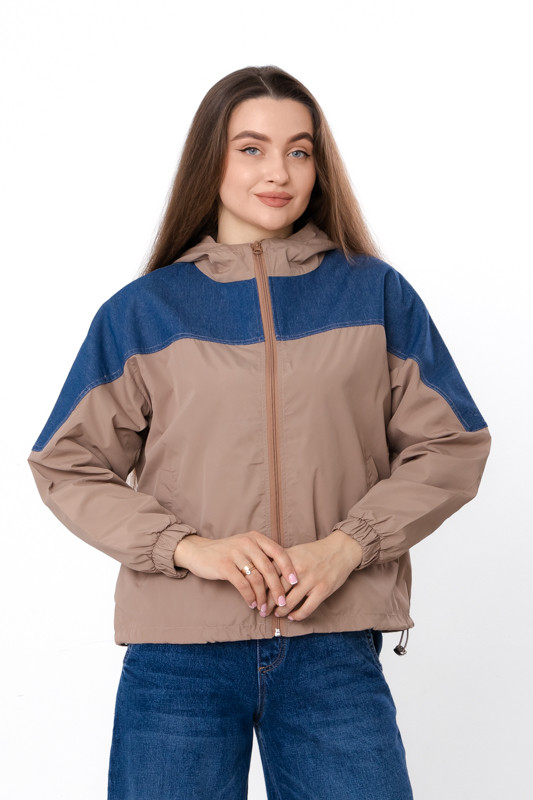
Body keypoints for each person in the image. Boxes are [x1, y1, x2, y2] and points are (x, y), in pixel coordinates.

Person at [28, 65, 491, 800]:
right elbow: (66, 463)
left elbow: (451, 445)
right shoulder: (144, 311)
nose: (279, 172)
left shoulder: (373, 293)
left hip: (332, 649)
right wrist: (188, 548)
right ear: (210, 160)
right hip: (178, 657)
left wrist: (348, 546)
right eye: (251, 149)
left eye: (299, 151)